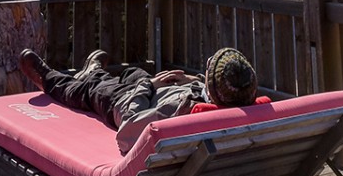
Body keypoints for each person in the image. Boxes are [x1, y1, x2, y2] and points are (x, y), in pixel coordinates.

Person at [18, 46, 264, 154]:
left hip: (126, 103)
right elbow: (216, 92)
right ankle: (95, 72)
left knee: (90, 89)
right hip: (154, 92)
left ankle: (49, 78)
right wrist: (189, 80)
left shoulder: (181, 115)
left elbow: (129, 127)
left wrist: (148, 86)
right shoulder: (240, 101)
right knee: (132, 73)